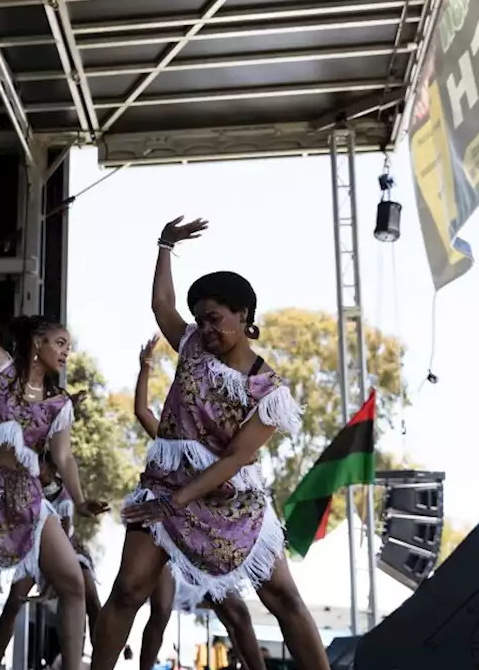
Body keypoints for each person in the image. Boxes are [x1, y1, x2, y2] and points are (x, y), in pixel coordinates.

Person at [90, 218, 329, 670]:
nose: (207, 327)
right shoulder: (194, 346)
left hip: (229, 498)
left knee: (283, 596)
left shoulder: (268, 390)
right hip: (164, 486)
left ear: (243, 316)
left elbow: (239, 457)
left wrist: (178, 501)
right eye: (200, 319)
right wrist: (165, 245)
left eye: (215, 318)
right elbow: (161, 304)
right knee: (127, 590)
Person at [0, 214, 105, 670]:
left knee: (72, 581)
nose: (67, 351)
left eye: (69, 345)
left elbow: (64, 457)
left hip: (29, 494)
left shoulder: (59, 405)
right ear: (37, 343)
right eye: (60, 342)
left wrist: (80, 499)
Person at [129, 337, 264, 670]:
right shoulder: (171, 441)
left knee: (236, 612)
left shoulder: (222, 453)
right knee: (159, 610)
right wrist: (145, 367)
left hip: (208, 527)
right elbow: (142, 411)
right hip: (170, 526)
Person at [0, 452, 102, 670]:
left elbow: (66, 534)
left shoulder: (64, 497)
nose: (35, 467)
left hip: (67, 548)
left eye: (40, 463)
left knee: (91, 598)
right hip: (32, 546)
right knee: (14, 601)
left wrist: (54, 577)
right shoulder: (26, 488)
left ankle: (96, 662)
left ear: (50, 468)